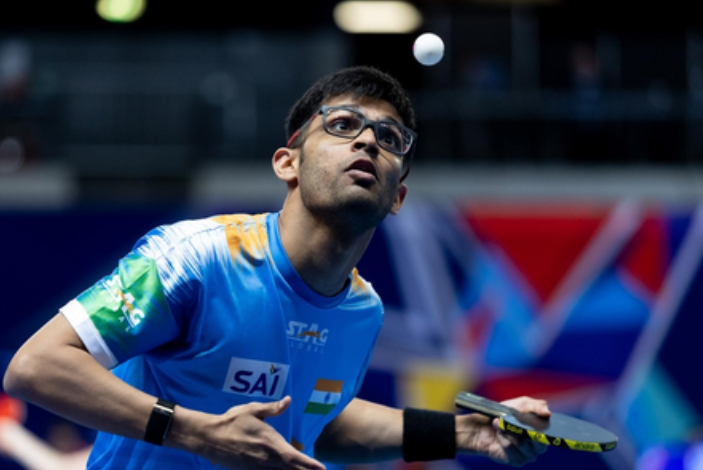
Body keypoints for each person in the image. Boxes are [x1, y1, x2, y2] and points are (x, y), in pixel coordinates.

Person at [3, 65, 551, 469]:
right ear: (288, 163)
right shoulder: (197, 258)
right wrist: (196, 432)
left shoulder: (363, 311)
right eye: (343, 124)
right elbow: (36, 366)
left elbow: (323, 425)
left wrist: (463, 433)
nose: (368, 140)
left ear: (397, 197)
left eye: (390, 139)